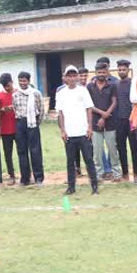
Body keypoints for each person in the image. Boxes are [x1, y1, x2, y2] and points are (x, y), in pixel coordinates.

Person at [56, 65, 99, 195]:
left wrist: (90, 127)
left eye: (74, 75)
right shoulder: (61, 93)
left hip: (83, 132)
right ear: (65, 78)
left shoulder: (83, 91)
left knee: (89, 160)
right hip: (69, 134)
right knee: (70, 162)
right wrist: (63, 131)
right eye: (69, 76)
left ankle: (94, 186)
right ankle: (71, 187)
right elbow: (60, 113)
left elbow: (89, 109)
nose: (72, 78)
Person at [87, 62, 122, 182]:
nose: (101, 74)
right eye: (99, 72)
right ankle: (98, 174)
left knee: (112, 150)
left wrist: (106, 115)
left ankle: (117, 174)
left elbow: (114, 102)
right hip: (96, 123)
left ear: (106, 73)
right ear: (95, 73)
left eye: (103, 72)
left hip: (110, 122)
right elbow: (89, 105)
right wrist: (102, 114)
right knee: (97, 152)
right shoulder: (90, 87)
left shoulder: (112, 86)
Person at [12, 71, 45, 187]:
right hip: (20, 123)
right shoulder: (15, 94)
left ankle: (39, 178)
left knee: (35, 151)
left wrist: (36, 122)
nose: (22, 83)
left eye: (24, 80)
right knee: (21, 151)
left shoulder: (36, 93)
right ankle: (25, 178)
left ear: (29, 81)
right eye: (20, 81)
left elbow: (41, 110)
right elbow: (15, 109)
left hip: (33, 123)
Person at [115, 59, 137, 181]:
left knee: (134, 147)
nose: (121, 71)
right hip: (119, 120)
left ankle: (135, 173)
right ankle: (125, 174)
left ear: (128, 70)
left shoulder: (133, 83)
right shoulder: (116, 84)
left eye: (124, 69)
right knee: (121, 147)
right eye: (119, 70)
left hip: (131, 119)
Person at [0, 73, 17, 186]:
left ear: (12, 82)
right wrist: (3, 110)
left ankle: (26, 174)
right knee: (7, 154)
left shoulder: (18, 93)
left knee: (22, 152)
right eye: (5, 86)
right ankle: (11, 175)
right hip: (5, 130)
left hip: (18, 128)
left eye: (8, 85)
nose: (7, 88)